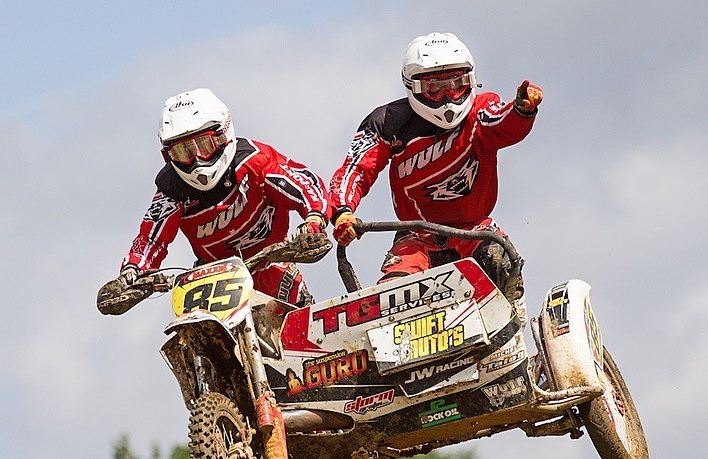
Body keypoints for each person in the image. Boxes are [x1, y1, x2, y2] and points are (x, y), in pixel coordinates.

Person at [328, 32, 542, 292]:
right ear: (413, 87)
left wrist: (521, 110)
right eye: (434, 88)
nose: (448, 97)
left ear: (471, 81)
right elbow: (356, 169)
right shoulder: (387, 123)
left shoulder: (481, 110)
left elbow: (502, 123)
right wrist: (342, 211)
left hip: (475, 231)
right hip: (416, 236)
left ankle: (514, 325)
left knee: (502, 265)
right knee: (393, 292)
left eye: (457, 84)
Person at [99, 88, 331, 313]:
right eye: (183, 152)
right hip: (211, 280)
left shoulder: (255, 162)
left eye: (204, 145)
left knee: (298, 320)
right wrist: (131, 274)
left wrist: (314, 221)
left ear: (223, 136)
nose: (196, 160)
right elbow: (149, 238)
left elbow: (305, 184)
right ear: (168, 156)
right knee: (190, 330)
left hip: (273, 262)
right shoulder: (171, 191)